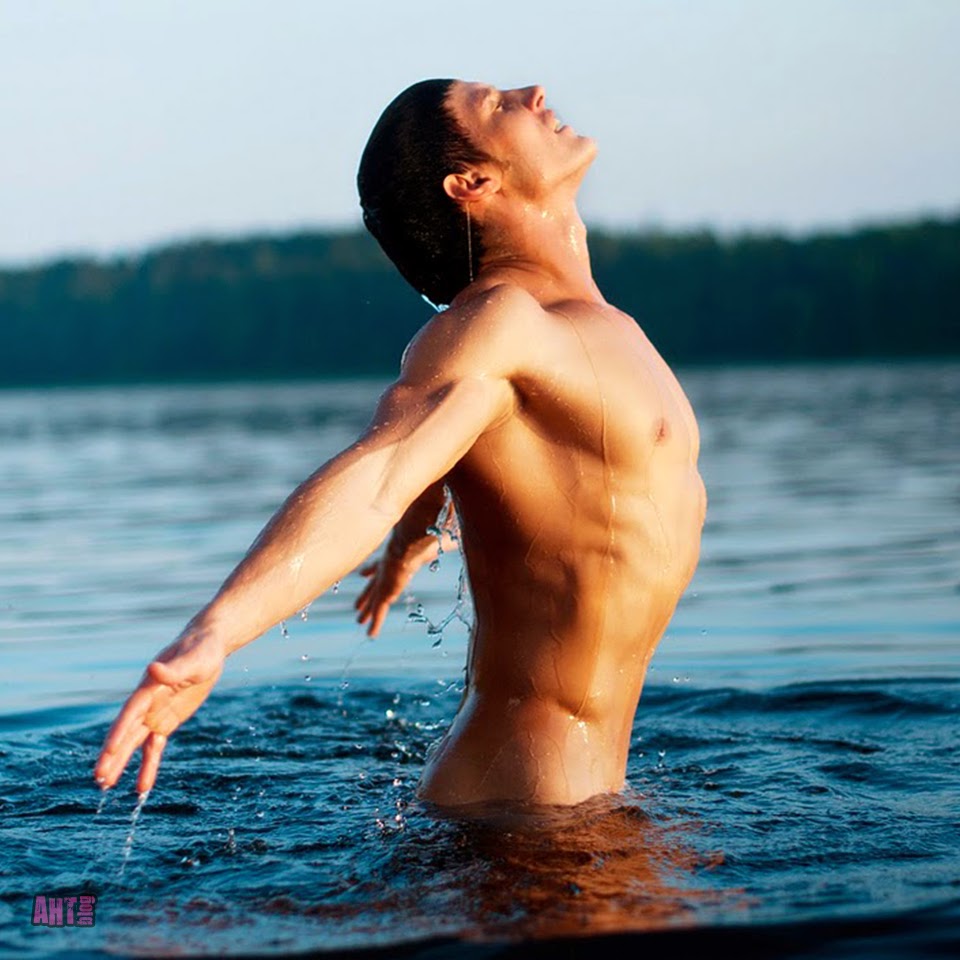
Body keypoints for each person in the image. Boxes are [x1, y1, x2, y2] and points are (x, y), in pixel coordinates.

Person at [94, 79, 706, 807]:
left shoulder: (593, 326)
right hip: (527, 811)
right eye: (493, 103)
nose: (533, 92)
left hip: (571, 797)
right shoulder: (502, 324)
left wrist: (423, 527)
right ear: (470, 182)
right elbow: (382, 468)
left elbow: (458, 452)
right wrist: (215, 633)